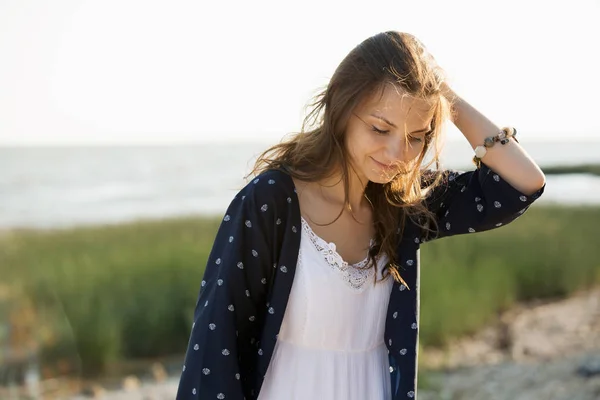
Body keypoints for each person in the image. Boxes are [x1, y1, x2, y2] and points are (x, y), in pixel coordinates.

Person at [176, 31, 546, 400]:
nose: (397, 153)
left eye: (416, 136)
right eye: (379, 128)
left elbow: (521, 184)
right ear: (340, 109)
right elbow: (215, 346)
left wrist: (443, 96)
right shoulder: (271, 201)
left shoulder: (405, 205)